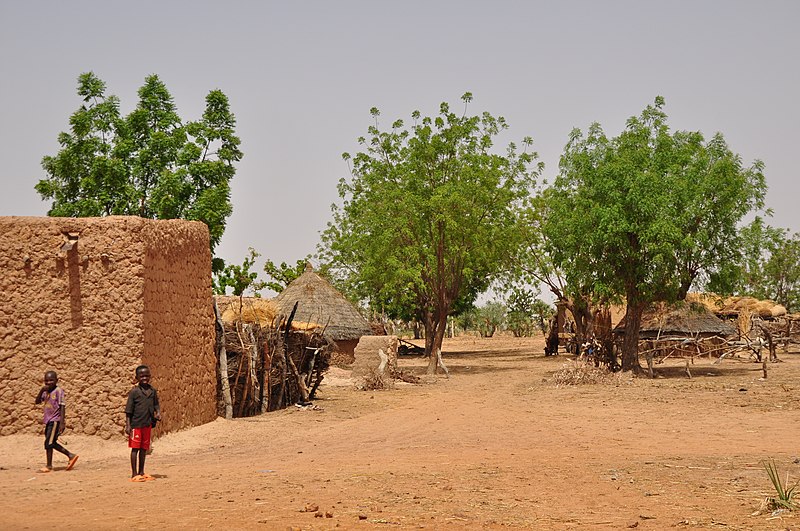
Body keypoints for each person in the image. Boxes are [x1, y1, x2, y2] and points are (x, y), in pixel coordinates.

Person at [35, 371, 79, 473]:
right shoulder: (45, 392)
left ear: (56, 381)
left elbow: (62, 406)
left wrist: (62, 423)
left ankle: (51, 465)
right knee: (51, 442)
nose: (48, 382)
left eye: (51, 380)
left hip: (55, 421)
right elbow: (37, 402)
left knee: (48, 443)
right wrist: (41, 390)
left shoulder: (59, 391)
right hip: (48, 420)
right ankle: (69, 456)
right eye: (46, 381)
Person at [125, 365, 161, 482]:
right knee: (135, 449)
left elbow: (156, 405)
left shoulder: (152, 391)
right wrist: (128, 425)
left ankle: (141, 471)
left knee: (144, 449)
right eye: (142, 376)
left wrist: (158, 413)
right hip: (136, 424)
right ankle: (134, 473)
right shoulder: (134, 392)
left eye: (147, 376)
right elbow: (128, 410)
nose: (144, 378)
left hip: (147, 423)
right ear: (137, 377)